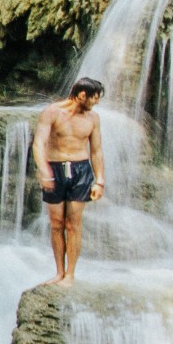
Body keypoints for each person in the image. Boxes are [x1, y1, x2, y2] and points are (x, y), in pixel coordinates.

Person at [32, 76, 106, 284]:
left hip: (81, 171)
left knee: (73, 224)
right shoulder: (52, 113)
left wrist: (99, 180)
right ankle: (59, 272)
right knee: (56, 224)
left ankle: (70, 274)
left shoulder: (93, 119)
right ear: (82, 95)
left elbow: (97, 151)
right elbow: (39, 144)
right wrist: (44, 170)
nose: (96, 103)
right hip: (55, 168)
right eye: (94, 98)